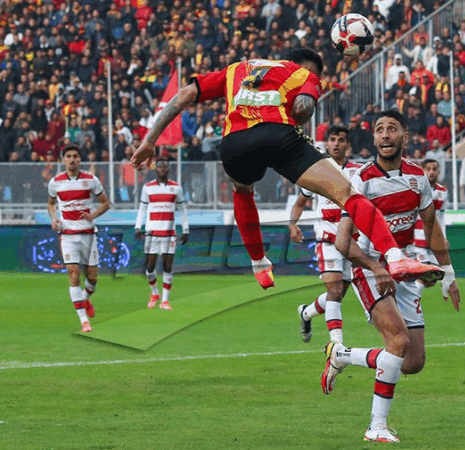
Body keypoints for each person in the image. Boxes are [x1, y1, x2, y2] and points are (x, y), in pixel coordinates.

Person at [131, 48, 443, 289]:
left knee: (242, 190)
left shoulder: (236, 69)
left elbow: (185, 94)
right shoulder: (304, 75)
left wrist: (149, 141)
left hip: (234, 143)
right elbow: (304, 108)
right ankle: (395, 257)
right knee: (348, 194)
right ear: (310, 68)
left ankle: (258, 263)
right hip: (279, 135)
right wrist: (298, 108)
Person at [321, 111, 460, 444]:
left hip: (403, 268)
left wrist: (449, 274)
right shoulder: (361, 180)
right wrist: (375, 266)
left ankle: (342, 355)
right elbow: (343, 242)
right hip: (369, 269)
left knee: (413, 361)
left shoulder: (417, 178)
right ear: (374, 139)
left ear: (404, 137)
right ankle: (376, 426)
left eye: (392, 129)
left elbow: (432, 228)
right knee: (397, 343)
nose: (385, 135)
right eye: (379, 130)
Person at [289, 124, 363, 344]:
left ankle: (306, 313)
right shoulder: (317, 172)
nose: (336, 144)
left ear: (348, 144)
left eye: (341, 140)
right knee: (335, 291)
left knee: (337, 294)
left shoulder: (358, 172)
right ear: (327, 143)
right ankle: (336, 347)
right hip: (327, 239)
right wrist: (293, 224)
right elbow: (300, 202)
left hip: (351, 241)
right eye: (332, 139)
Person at [47, 145, 111, 333]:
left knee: (93, 279)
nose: (72, 159)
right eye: (68, 156)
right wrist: (54, 218)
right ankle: (84, 321)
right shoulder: (55, 182)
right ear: (63, 159)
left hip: (89, 234)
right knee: (73, 274)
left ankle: (85, 298)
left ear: (79, 159)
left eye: (75, 156)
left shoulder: (91, 180)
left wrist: (93, 215)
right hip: (68, 235)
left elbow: (106, 203)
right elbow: (51, 204)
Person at [134, 158, 189, 311]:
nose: (162, 169)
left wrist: (186, 230)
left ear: (169, 169)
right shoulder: (148, 188)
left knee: (167, 266)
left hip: (169, 233)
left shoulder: (176, 188)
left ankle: (165, 301)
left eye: (165, 166)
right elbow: (142, 209)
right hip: (151, 233)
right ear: (156, 169)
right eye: (160, 167)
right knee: (149, 268)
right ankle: (155, 293)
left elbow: (182, 210)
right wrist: (137, 227)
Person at [413, 158, 448, 265]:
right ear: (422, 171)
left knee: (435, 273)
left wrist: (444, 237)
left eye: (434, 169)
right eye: (428, 169)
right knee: (424, 271)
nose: (431, 172)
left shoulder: (443, 192)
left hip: (435, 239)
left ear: (439, 172)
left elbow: (441, 217)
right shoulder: (415, 190)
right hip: (417, 240)